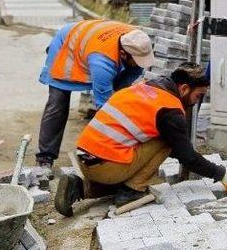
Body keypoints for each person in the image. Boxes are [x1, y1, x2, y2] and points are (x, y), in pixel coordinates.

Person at [54, 62, 227, 217]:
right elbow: (187, 156)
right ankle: (132, 191)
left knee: (152, 147)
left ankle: (79, 188)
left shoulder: (147, 87)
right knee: (165, 141)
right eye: (198, 95)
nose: (197, 101)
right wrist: (222, 174)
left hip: (86, 160)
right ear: (184, 89)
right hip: (106, 166)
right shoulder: (170, 110)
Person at [35, 20, 154, 172]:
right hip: (67, 44)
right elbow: (104, 109)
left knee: (117, 99)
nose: (139, 64)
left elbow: (125, 86)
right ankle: (45, 157)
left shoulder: (136, 41)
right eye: (136, 61)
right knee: (57, 102)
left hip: (91, 41)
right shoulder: (102, 62)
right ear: (123, 54)